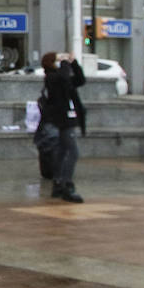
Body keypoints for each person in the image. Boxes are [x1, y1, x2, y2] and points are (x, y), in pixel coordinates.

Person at [40, 51, 86, 203]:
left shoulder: (61, 78)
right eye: (57, 60)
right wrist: (65, 63)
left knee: (62, 151)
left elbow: (80, 80)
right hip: (62, 119)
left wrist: (74, 64)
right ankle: (67, 184)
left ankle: (58, 183)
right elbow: (64, 77)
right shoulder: (52, 77)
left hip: (68, 117)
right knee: (73, 152)